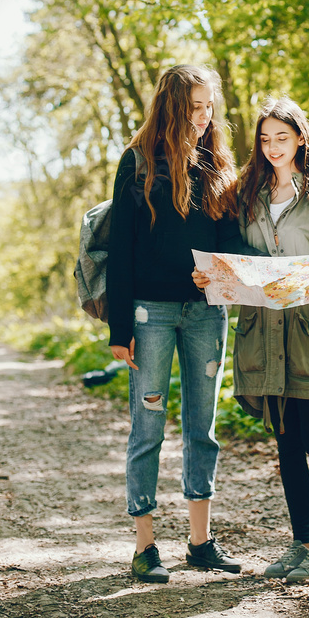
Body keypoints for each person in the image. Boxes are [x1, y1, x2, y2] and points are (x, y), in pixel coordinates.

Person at [195, 97, 309, 583]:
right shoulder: (247, 196)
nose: (271, 147)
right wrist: (213, 277)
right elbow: (238, 261)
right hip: (263, 337)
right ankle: (300, 544)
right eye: (264, 139)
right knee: (286, 443)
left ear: (301, 139)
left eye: (281, 138)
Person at [107, 64, 256, 584]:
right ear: (171, 107)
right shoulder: (137, 163)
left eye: (209, 105)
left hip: (205, 312)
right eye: (195, 106)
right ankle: (146, 547)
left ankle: (200, 543)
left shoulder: (217, 163)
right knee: (147, 426)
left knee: (203, 427)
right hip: (148, 313)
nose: (205, 115)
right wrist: (118, 329)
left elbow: (233, 239)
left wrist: (220, 269)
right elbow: (120, 252)